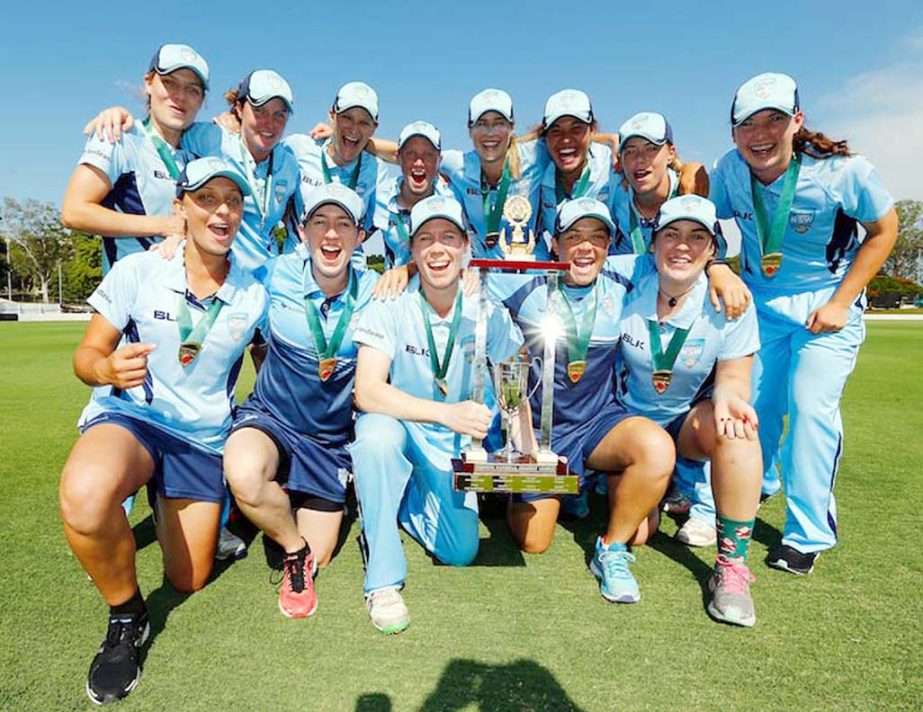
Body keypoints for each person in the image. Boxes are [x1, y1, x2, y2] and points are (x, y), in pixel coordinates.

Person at [58, 158, 268, 704]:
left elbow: (273, 370)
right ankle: (127, 616)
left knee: (188, 579)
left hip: (200, 442)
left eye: (233, 200)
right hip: (134, 419)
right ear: (181, 209)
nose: (221, 209)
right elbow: (86, 356)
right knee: (84, 496)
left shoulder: (255, 293)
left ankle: (209, 512)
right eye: (206, 198)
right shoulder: (139, 270)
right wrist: (104, 370)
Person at [710, 72, 897, 575]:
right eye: (747, 123)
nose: (760, 133)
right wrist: (717, 268)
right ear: (733, 133)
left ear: (797, 120)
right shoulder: (729, 170)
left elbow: (884, 231)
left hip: (825, 307)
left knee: (811, 411)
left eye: (773, 119)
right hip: (760, 306)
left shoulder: (844, 171)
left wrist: (842, 301)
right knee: (751, 410)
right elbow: (703, 217)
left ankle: (807, 532)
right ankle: (753, 487)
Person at [350, 195, 524, 634]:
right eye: (425, 239)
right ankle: (383, 578)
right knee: (375, 438)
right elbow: (366, 391)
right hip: (398, 425)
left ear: (466, 247)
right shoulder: (389, 303)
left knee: (460, 551)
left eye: (448, 237)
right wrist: (445, 413)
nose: (437, 248)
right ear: (412, 252)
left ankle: (396, 499)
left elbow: (514, 387)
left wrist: (528, 450)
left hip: (452, 443)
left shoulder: (489, 313)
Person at [489, 198, 676, 604]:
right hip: (539, 434)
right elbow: (461, 272)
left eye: (597, 237)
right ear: (553, 244)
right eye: (574, 237)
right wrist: (406, 268)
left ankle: (610, 549)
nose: (585, 247)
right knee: (534, 542)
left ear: (611, 245)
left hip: (597, 425)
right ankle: (519, 489)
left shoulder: (627, 276)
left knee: (645, 509)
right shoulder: (524, 280)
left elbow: (681, 257)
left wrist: (719, 272)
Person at [223, 183, 378, 619]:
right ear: (303, 232)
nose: (331, 235)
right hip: (271, 419)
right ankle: (292, 549)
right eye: (320, 223)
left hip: (329, 441)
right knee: (244, 471)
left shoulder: (377, 290)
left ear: (360, 236)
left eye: (344, 224)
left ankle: (279, 500)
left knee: (324, 554)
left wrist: (404, 271)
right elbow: (213, 269)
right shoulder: (272, 274)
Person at [617, 195, 763, 626]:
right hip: (627, 421)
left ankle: (732, 569)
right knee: (640, 534)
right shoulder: (628, 276)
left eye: (697, 237)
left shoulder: (730, 300)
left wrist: (728, 397)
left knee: (737, 427)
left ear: (713, 248)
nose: (682, 246)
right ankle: (666, 488)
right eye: (672, 235)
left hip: (684, 424)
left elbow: (735, 378)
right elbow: (569, 261)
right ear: (653, 242)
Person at [608, 111, 725, 546]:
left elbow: (702, 253)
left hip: (690, 329)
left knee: (729, 413)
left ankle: (708, 502)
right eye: (630, 152)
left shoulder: (691, 192)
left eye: (651, 150)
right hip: (641, 313)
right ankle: (657, 477)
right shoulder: (616, 194)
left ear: (670, 155)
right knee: (638, 531)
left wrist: (721, 271)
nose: (640, 161)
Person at [62, 43, 210, 274]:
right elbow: (74, 212)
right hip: (128, 301)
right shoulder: (117, 137)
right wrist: (165, 225)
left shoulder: (200, 155)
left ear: (201, 100)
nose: (180, 96)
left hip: (181, 296)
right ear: (149, 83)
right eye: (170, 83)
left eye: (192, 89)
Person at [283, 82, 385, 236]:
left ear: (374, 128)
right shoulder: (299, 147)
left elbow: (370, 226)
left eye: (364, 122)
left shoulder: (377, 169)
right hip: (296, 256)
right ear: (332, 116)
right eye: (346, 117)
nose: (354, 128)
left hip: (348, 258)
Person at [370, 121, 453, 269]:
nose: (419, 163)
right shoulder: (379, 197)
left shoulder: (453, 201)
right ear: (399, 158)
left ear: (438, 160)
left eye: (428, 155)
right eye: (411, 154)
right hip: (393, 288)